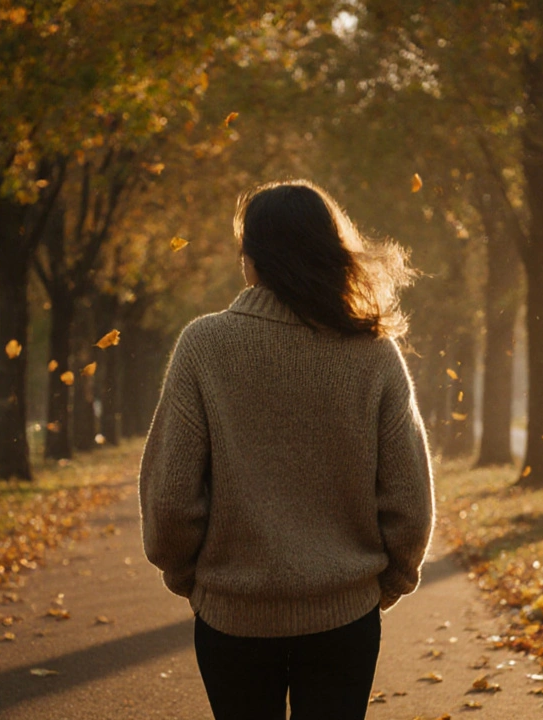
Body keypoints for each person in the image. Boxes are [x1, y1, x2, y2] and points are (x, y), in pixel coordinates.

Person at [138, 180, 435, 719]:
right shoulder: (374, 353)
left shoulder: (204, 346)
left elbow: (170, 499)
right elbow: (410, 499)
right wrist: (382, 585)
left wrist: (191, 579)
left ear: (251, 261)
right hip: (346, 620)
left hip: (232, 620)